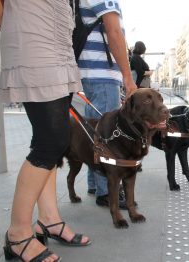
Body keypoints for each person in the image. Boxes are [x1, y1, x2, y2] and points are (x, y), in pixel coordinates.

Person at [0, 1, 91, 261]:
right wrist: (9, 20)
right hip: (34, 43)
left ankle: (49, 219)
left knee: (49, 139)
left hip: (60, 44)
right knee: (52, 141)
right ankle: (18, 234)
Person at [77, 0, 137, 207]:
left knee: (95, 132)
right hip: (101, 74)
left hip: (92, 72)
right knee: (108, 136)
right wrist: (128, 78)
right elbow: (113, 31)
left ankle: (95, 183)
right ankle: (107, 192)